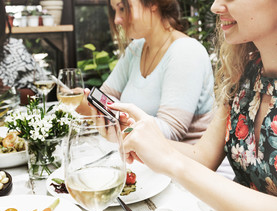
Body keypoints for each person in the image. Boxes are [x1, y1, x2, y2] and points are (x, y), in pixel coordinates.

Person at [108, 0, 277, 211]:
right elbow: (202, 156)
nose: (215, 6)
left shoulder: (185, 51)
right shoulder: (245, 72)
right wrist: (145, 137)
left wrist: (172, 161)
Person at [77, 0, 215, 144]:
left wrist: (121, 117)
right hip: (142, 158)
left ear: (153, 3)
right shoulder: (136, 48)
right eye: (115, 11)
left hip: (179, 162)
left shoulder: (186, 51)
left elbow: (170, 133)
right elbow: (104, 98)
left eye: (123, 8)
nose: (116, 19)